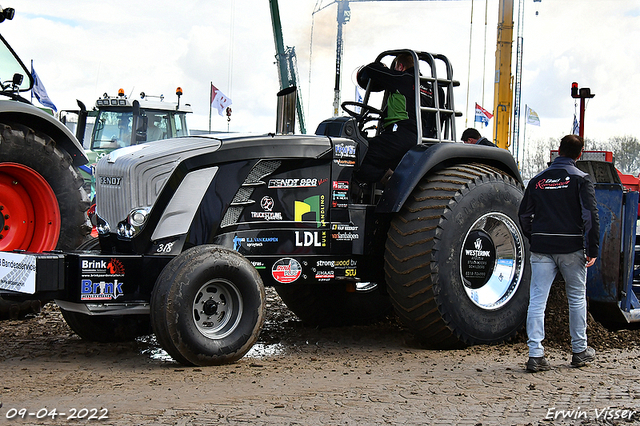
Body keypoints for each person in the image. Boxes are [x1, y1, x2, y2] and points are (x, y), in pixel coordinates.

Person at [518, 134, 600, 372]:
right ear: (580, 153)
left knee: (537, 300)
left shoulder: (537, 180)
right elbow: (590, 217)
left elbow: (523, 215)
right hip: (571, 248)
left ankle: (536, 355)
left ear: (558, 150)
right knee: (575, 298)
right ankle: (579, 351)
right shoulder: (581, 179)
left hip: (542, 248)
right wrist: (592, 248)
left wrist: (535, 237)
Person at [354, 53, 438, 184]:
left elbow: (372, 70)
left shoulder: (404, 79)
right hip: (417, 137)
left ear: (400, 66)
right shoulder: (429, 87)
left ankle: (391, 181)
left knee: (355, 155)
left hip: (399, 135)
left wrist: (383, 67)